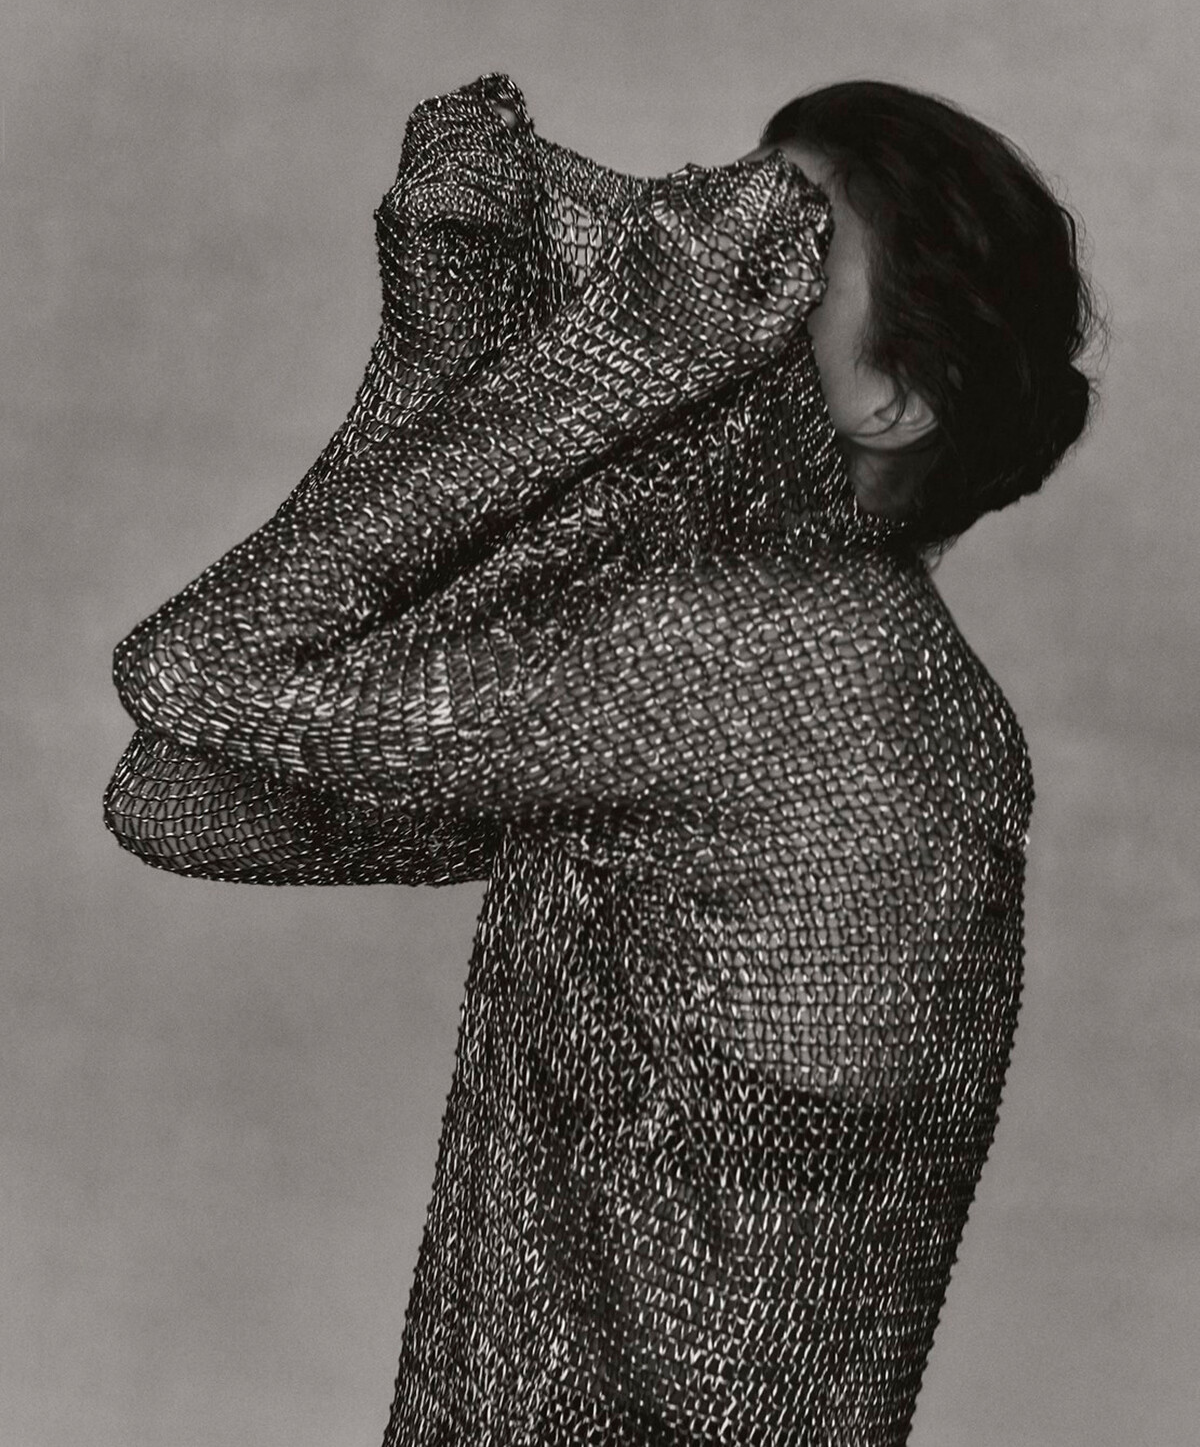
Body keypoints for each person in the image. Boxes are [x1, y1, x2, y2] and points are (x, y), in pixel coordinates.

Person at [103, 74, 1102, 1445]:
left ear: (893, 398)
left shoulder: (782, 659)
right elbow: (181, 796)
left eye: (786, 251)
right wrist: (441, 346)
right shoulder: (724, 664)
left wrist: (591, 369)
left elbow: (194, 669)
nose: (701, 260)